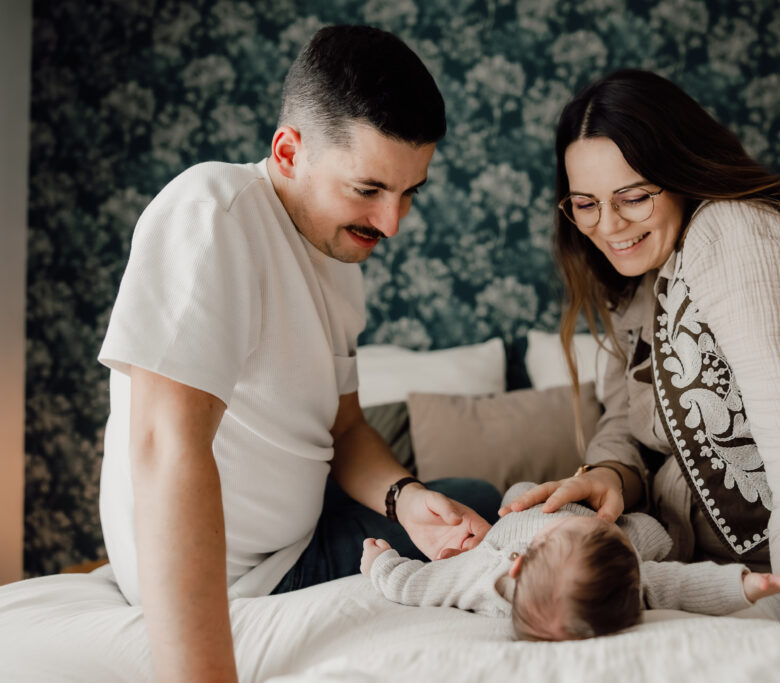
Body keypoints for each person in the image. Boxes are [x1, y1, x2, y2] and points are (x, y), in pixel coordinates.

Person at [97, 25, 499, 682]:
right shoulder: (213, 215)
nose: (392, 223)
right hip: (248, 577)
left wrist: (404, 498)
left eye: (409, 193)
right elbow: (165, 447)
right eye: (368, 189)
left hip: (300, 537)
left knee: (470, 501)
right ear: (289, 151)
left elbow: (342, 428)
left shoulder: (337, 258)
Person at [503, 69, 780, 637]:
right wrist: (610, 473)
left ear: (681, 174)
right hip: (697, 539)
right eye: (585, 203)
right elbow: (626, 414)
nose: (608, 225)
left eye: (633, 197)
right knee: (528, 513)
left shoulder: (737, 236)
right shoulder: (635, 276)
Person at [361, 482, 780, 641]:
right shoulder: (623, 574)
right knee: (654, 534)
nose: (600, 527)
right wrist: (750, 586)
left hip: (508, 521)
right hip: (619, 530)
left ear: (520, 564)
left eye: (573, 531)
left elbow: (411, 584)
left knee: (519, 496)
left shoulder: (476, 575)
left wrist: (380, 562)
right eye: (603, 535)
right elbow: (680, 585)